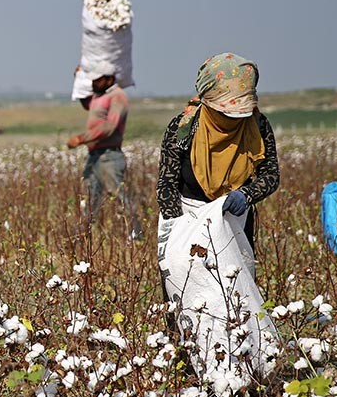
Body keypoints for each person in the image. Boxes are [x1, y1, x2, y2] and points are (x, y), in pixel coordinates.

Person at [155, 52, 279, 251]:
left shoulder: (257, 126)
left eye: (241, 113)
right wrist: (179, 229)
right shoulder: (183, 128)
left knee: (236, 278)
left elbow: (271, 175)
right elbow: (166, 184)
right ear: (209, 103)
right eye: (227, 113)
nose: (236, 119)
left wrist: (246, 195)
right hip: (188, 221)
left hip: (235, 222)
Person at [66, 61, 143, 239]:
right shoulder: (99, 96)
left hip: (110, 156)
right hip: (94, 155)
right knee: (91, 196)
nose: (93, 84)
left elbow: (109, 126)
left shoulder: (118, 97)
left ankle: (136, 235)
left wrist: (81, 139)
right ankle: (84, 237)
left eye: (97, 80)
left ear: (109, 79)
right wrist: (78, 78)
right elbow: (88, 104)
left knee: (118, 195)